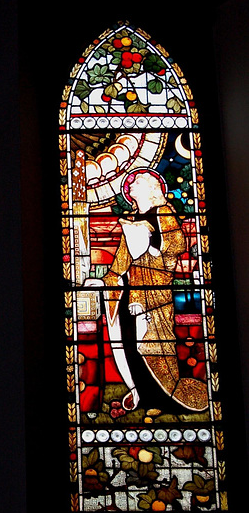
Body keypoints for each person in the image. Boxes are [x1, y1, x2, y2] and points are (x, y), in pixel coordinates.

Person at [88, 168, 208, 415]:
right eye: (131, 182)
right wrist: (105, 281)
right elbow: (121, 261)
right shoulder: (131, 219)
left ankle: (165, 399)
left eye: (138, 181)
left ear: (152, 189)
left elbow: (176, 246)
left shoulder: (163, 212)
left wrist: (151, 248)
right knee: (130, 342)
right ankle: (141, 394)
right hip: (130, 292)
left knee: (150, 344)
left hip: (154, 292)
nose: (131, 184)